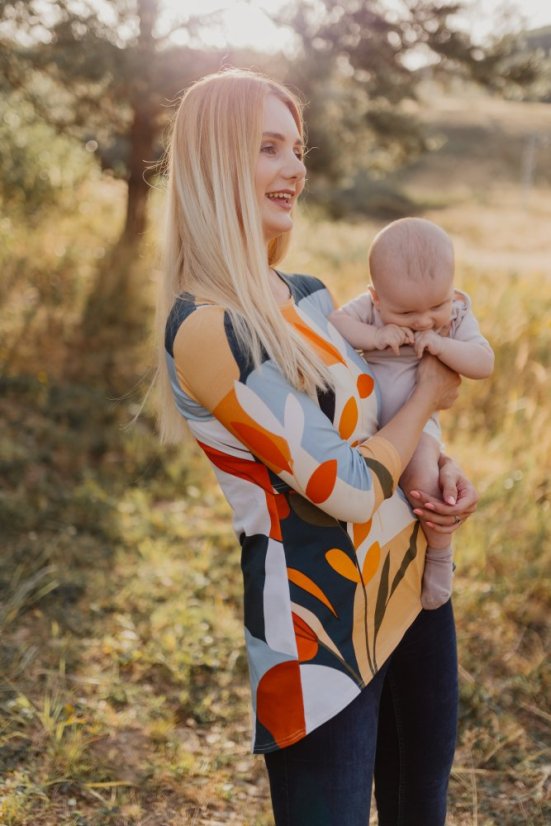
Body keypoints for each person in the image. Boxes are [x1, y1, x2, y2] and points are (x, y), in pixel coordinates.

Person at [156, 68, 479, 826]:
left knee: (418, 810)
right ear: (214, 162)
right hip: (316, 635)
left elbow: (375, 429)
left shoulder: (302, 294)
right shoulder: (208, 327)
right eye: (268, 147)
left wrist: (437, 461)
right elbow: (346, 487)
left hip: (407, 585)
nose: (294, 168)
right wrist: (432, 394)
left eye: (297, 148)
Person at [329, 218, 494, 610]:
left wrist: (439, 345)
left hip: (418, 428)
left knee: (424, 485)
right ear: (377, 298)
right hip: (368, 427)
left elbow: (483, 362)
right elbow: (335, 323)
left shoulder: (454, 315)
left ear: (451, 292)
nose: (422, 321)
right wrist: (374, 337)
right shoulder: (370, 311)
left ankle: (439, 554)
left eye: (435, 306)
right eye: (405, 313)